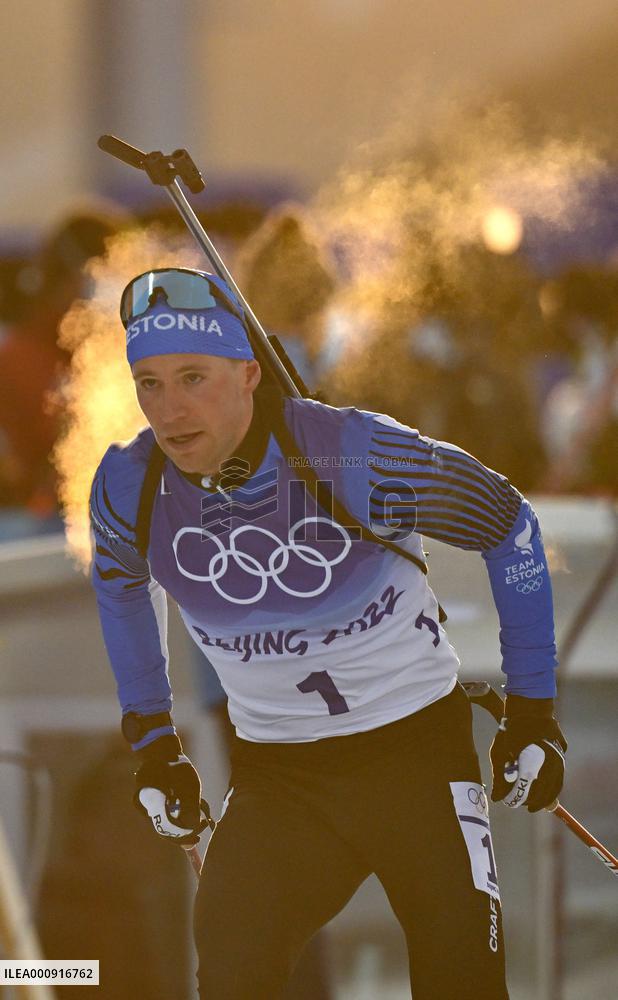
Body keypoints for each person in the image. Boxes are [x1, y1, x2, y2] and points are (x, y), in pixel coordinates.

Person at [89, 267, 567, 999]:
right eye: (148, 383)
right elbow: (120, 592)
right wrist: (154, 747)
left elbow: (510, 526)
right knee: (231, 967)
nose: (170, 409)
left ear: (250, 373)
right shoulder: (131, 485)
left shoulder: (353, 454)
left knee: (462, 980)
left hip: (415, 761)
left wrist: (534, 711)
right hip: (283, 783)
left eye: (193, 377)